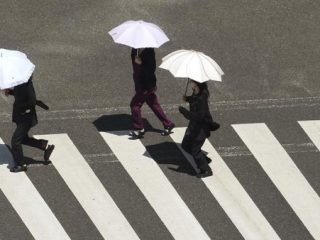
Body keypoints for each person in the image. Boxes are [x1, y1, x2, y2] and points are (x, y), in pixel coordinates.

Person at [4, 75, 55, 172]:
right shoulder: (20, 82)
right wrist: (10, 92)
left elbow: (31, 101)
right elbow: (20, 95)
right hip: (21, 116)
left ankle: (21, 164)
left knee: (15, 141)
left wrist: (23, 110)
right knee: (22, 138)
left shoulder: (27, 84)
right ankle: (44, 146)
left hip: (26, 117)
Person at [129, 48, 174, 138]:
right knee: (153, 103)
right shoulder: (135, 49)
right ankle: (168, 124)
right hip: (139, 82)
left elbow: (151, 70)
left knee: (134, 105)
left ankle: (139, 128)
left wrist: (141, 63)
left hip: (146, 85)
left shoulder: (149, 52)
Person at [178, 80, 219, 178]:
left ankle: (206, 170)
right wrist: (187, 98)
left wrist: (184, 112)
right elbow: (193, 100)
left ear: (196, 83)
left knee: (194, 150)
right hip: (194, 126)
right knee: (185, 145)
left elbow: (200, 116)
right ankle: (204, 160)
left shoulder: (202, 98)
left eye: (191, 80)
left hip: (201, 128)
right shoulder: (196, 91)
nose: (190, 81)